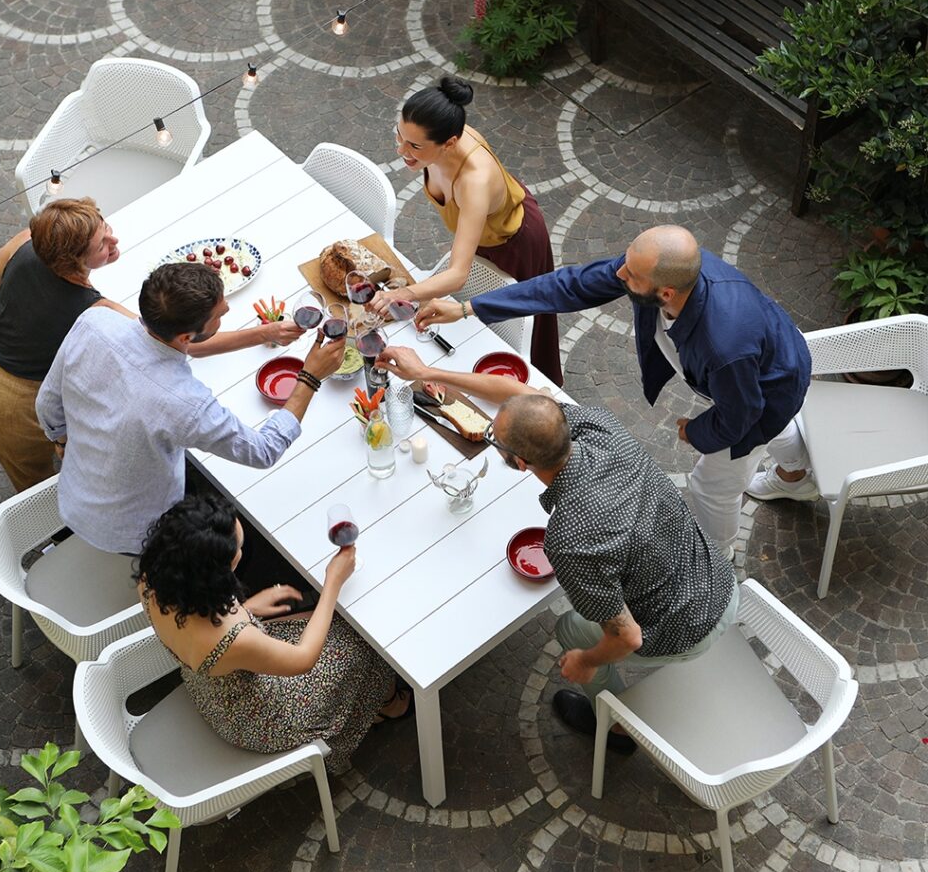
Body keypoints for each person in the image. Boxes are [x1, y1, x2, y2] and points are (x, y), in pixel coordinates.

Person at [375, 345, 738, 751]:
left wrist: (585, 662)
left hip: (688, 626)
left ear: (520, 464)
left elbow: (628, 638)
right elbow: (519, 394)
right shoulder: (600, 425)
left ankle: (613, 726)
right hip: (718, 576)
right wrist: (425, 370)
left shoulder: (569, 541)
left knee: (570, 629)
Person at [411, 225, 815, 559]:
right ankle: (796, 475)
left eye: (631, 276)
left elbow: (741, 415)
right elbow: (568, 286)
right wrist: (470, 309)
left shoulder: (723, 347)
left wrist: (696, 432)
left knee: (711, 484)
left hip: (765, 389)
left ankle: (718, 561)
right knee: (757, 417)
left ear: (666, 294)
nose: (619, 275)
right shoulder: (662, 271)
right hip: (757, 357)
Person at [36, 262, 343, 555]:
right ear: (186, 336)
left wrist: (62, 440)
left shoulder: (95, 322)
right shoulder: (184, 402)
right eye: (219, 315)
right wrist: (310, 376)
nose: (227, 310)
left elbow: (46, 403)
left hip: (73, 497)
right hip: (136, 533)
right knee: (239, 542)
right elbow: (263, 451)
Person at [136, 496, 411, 774]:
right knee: (360, 639)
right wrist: (333, 582)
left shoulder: (154, 579)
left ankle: (380, 699)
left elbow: (200, 628)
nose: (241, 554)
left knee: (315, 620)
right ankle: (384, 705)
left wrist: (247, 608)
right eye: (237, 552)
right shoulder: (229, 639)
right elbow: (303, 660)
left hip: (210, 684)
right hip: (257, 718)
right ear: (212, 574)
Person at [0, 198, 128, 527]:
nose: (114, 241)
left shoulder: (32, 239)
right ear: (74, 260)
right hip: (7, 400)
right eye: (102, 244)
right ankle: (53, 535)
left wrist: (27, 309)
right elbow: (154, 341)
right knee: (35, 480)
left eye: (106, 228)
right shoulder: (95, 309)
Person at [369, 76, 563, 386]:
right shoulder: (439, 135)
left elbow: (458, 273)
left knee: (524, 321)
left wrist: (401, 294)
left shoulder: (474, 181)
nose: (401, 149)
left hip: (513, 241)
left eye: (414, 146)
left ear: (449, 144)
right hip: (481, 231)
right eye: (399, 135)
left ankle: (539, 387)